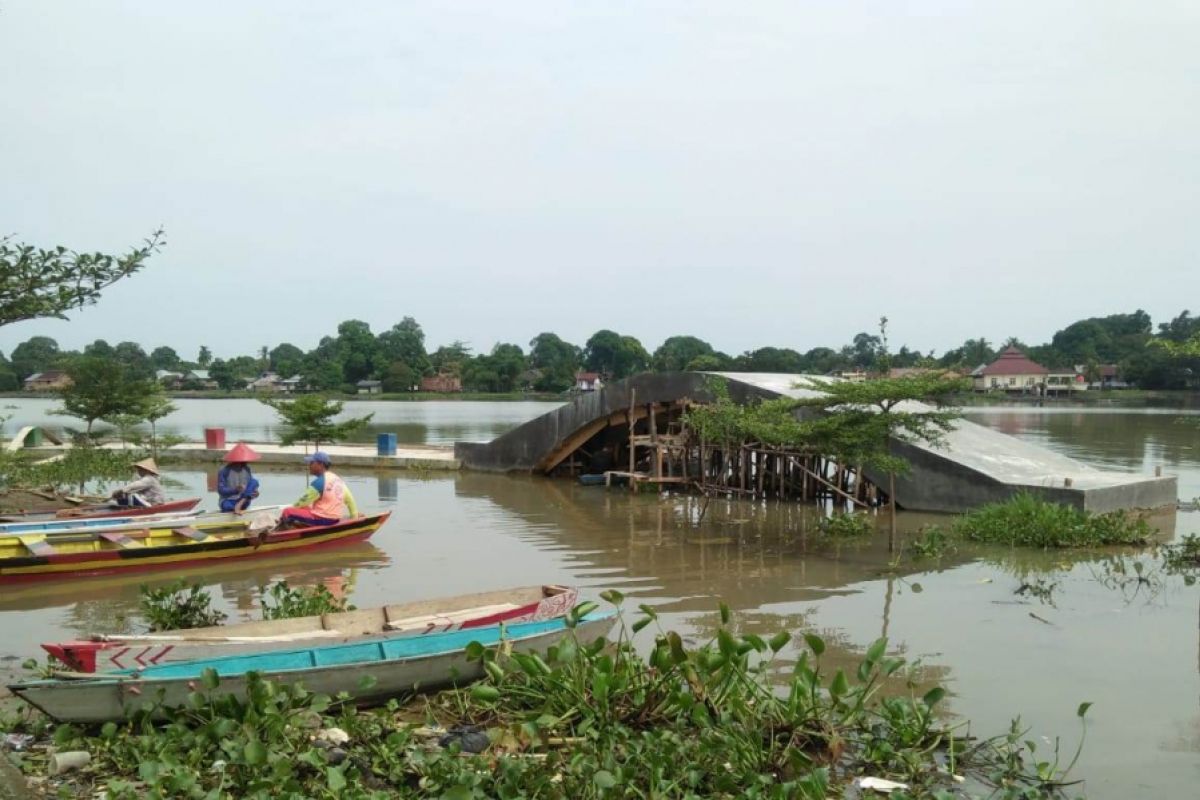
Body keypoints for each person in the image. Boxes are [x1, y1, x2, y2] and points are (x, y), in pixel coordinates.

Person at [278, 451, 358, 528]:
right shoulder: (338, 480)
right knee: (305, 507)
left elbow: (300, 503)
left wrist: (292, 507)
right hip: (335, 519)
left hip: (322, 519)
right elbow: (350, 500)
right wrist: (354, 517)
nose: (309, 465)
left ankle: (279, 533)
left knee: (287, 511)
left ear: (321, 464)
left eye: (312, 463)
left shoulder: (318, 483)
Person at [217, 442, 262, 514]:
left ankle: (240, 504)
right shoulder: (224, 471)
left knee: (254, 481)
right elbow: (221, 490)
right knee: (227, 506)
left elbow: (251, 485)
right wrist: (235, 490)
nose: (243, 463)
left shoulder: (247, 469)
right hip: (228, 500)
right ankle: (235, 508)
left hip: (242, 500)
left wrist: (255, 493)